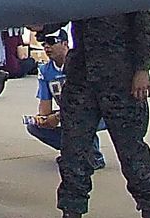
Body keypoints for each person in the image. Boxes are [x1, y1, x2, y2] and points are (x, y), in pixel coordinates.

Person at [33, 9, 150, 218]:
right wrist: (39, 23)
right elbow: (62, 10)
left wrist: (142, 69)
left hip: (121, 77)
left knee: (132, 154)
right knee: (73, 153)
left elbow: (148, 27)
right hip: (82, 78)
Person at [22, 26, 106, 170]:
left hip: (97, 111)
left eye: (52, 41)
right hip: (68, 112)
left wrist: (59, 117)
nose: (47, 46)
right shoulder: (45, 70)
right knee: (35, 126)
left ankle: (94, 156)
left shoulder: (80, 66)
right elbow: (45, 106)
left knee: (78, 119)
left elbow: (87, 104)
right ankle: (73, 152)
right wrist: (44, 119)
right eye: (43, 43)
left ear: (65, 44)